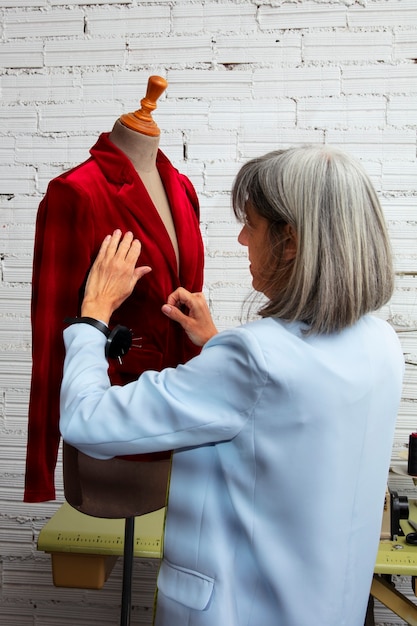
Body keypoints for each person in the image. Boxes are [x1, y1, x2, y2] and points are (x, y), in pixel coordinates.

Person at [60, 144, 404, 626]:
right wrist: (213, 343)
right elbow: (289, 411)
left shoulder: (253, 359)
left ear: (291, 242)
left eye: (253, 225)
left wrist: (92, 318)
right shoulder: (382, 343)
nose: (242, 239)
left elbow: (84, 420)